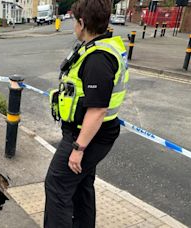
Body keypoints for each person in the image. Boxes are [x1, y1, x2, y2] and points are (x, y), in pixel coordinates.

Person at [45, 0, 129, 227]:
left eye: (74, 20)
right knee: (82, 184)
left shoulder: (98, 59)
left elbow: (98, 109)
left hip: (86, 136)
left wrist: (78, 149)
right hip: (92, 134)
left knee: (57, 185)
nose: (73, 25)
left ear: (82, 22)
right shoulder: (97, 46)